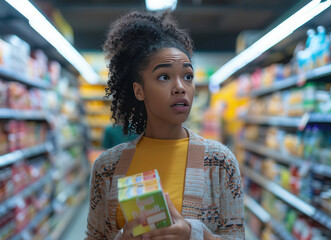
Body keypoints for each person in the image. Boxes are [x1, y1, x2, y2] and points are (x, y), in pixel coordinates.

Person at [86, 10, 244, 240]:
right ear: (139, 91)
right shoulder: (106, 168)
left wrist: (195, 234)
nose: (180, 87)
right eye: (164, 77)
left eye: (188, 76)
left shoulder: (220, 162)